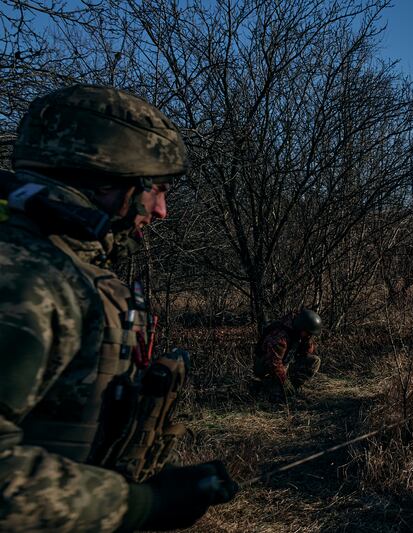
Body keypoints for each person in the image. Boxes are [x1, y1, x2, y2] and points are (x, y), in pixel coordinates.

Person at [0, 85, 237, 532]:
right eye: (157, 189)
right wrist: (137, 504)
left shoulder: (59, 267)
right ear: (108, 183)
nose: (163, 210)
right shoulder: (25, 279)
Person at [253, 309, 323, 403]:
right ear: (301, 327)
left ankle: (291, 389)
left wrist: (307, 342)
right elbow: (273, 363)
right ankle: (261, 386)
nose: (309, 336)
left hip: (283, 366)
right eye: (308, 333)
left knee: (314, 361)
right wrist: (285, 382)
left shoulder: (299, 332)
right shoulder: (280, 336)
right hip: (267, 369)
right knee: (278, 399)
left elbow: (305, 354)